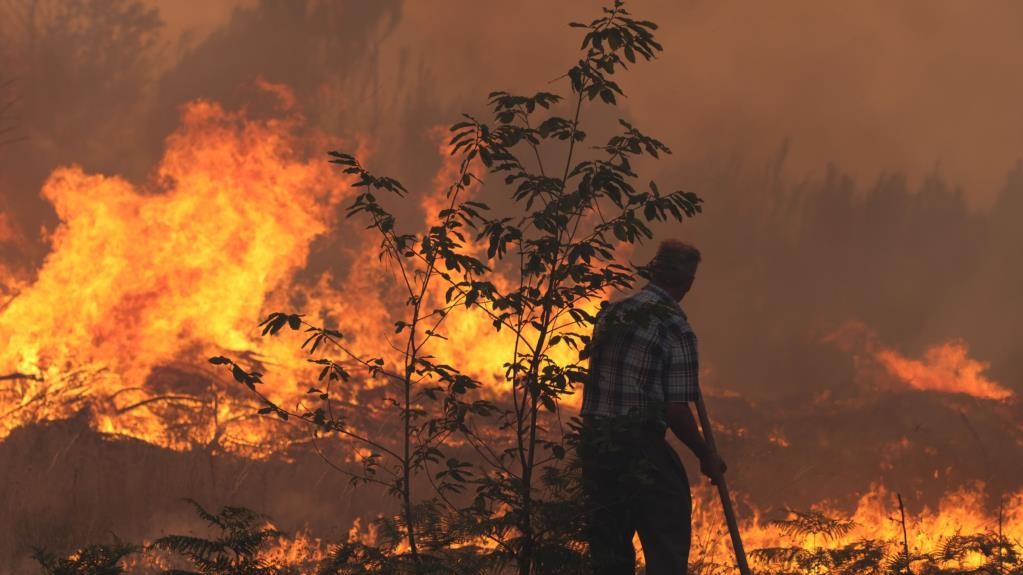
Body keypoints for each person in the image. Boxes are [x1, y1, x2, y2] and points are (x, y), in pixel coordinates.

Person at [579, 239, 727, 575]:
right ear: (688, 283)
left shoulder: (612, 312)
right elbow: (675, 410)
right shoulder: (677, 329)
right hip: (640, 446)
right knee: (667, 540)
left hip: (596, 445)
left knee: (609, 552)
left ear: (653, 270)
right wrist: (705, 454)